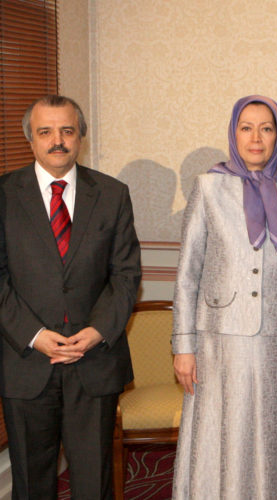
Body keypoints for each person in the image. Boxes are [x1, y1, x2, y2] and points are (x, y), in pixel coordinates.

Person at [172, 95, 277, 499]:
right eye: (246, 127)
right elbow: (188, 274)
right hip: (218, 340)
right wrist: (183, 347)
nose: (256, 138)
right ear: (233, 133)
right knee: (226, 433)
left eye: (267, 128)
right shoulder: (207, 188)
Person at [0, 95, 141, 499]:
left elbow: (126, 274)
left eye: (66, 130)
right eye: (45, 131)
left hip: (94, 360)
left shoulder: (113, 194)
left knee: (94, 481)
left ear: (81, 136)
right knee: (31, 483)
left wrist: (98, 330)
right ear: (31, 139)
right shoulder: (4, 195)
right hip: (25, 361)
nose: (57, 140)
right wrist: (34, 334)